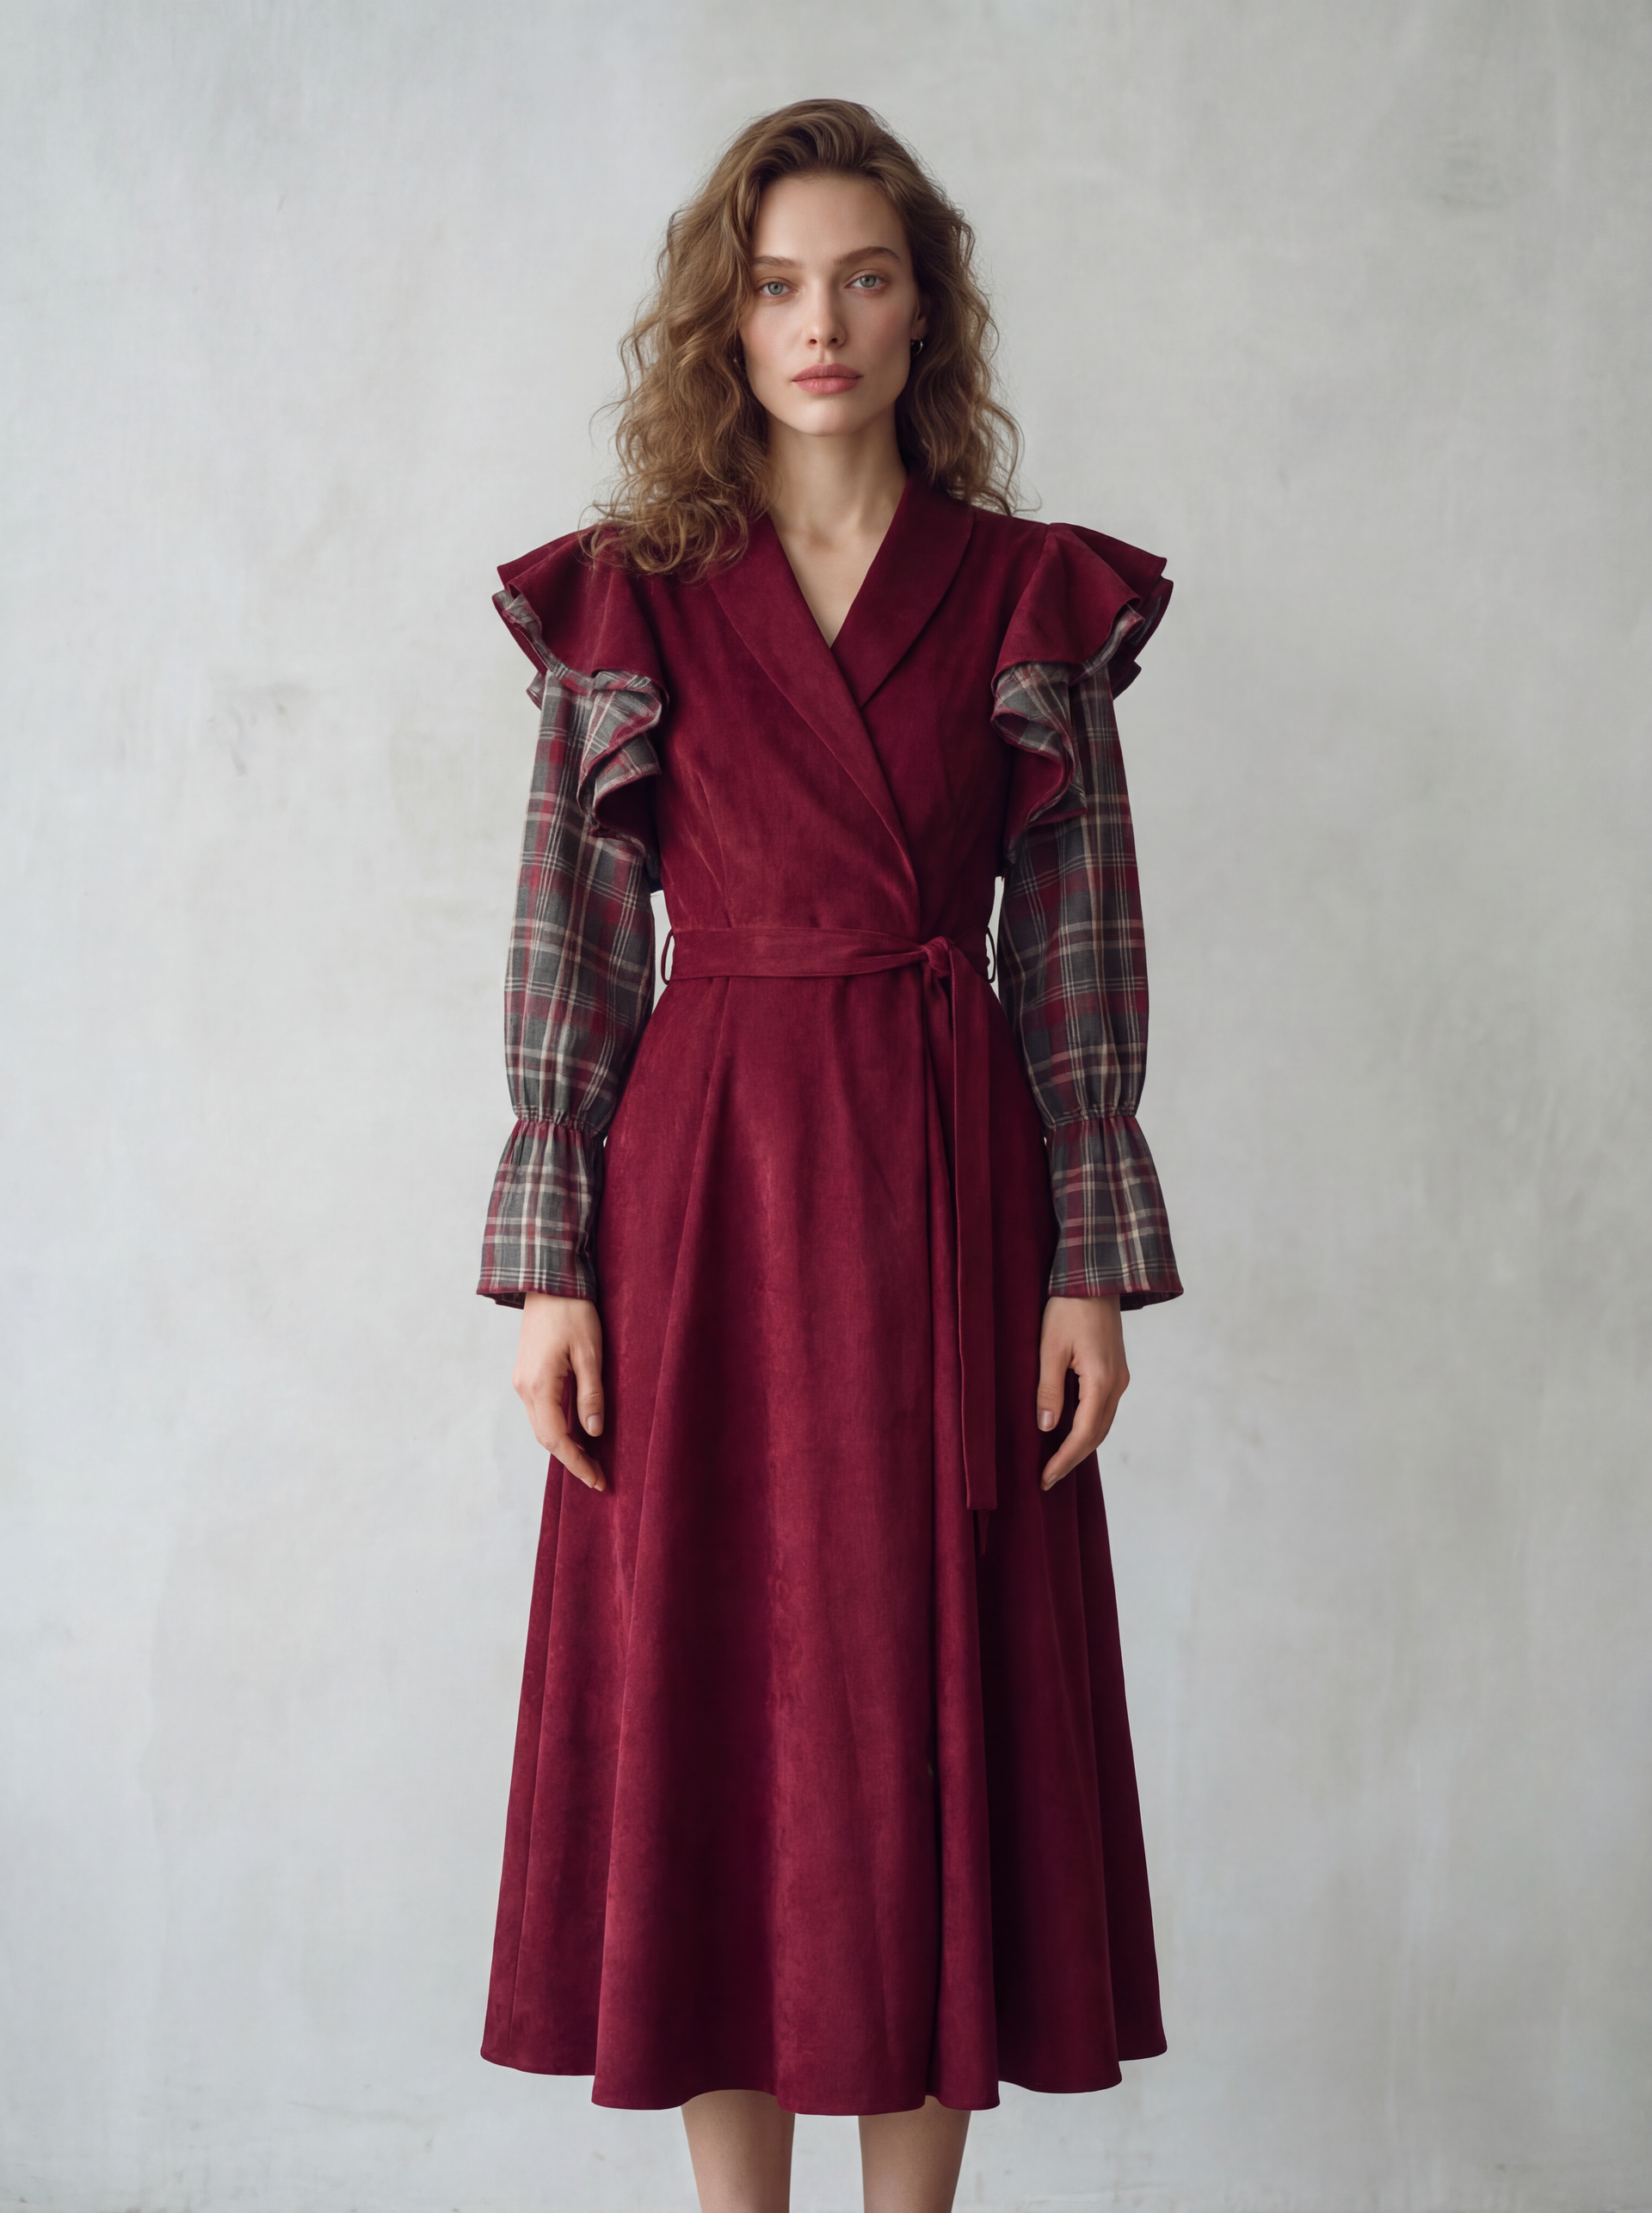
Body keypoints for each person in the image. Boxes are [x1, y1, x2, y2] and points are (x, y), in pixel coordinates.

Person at [476, 96, 1182, 2213]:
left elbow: (1076, 948)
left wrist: (1087, 1263)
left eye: (865, 279)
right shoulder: (632, 598)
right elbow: (574, 942)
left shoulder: (1030, 595)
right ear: (727, 316)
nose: (821, 322)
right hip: (700, 1198)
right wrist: (552, 1260)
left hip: (953, 1193)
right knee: (717, 1693)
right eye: (779, 283)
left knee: (925, 1691)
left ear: (922, 312)